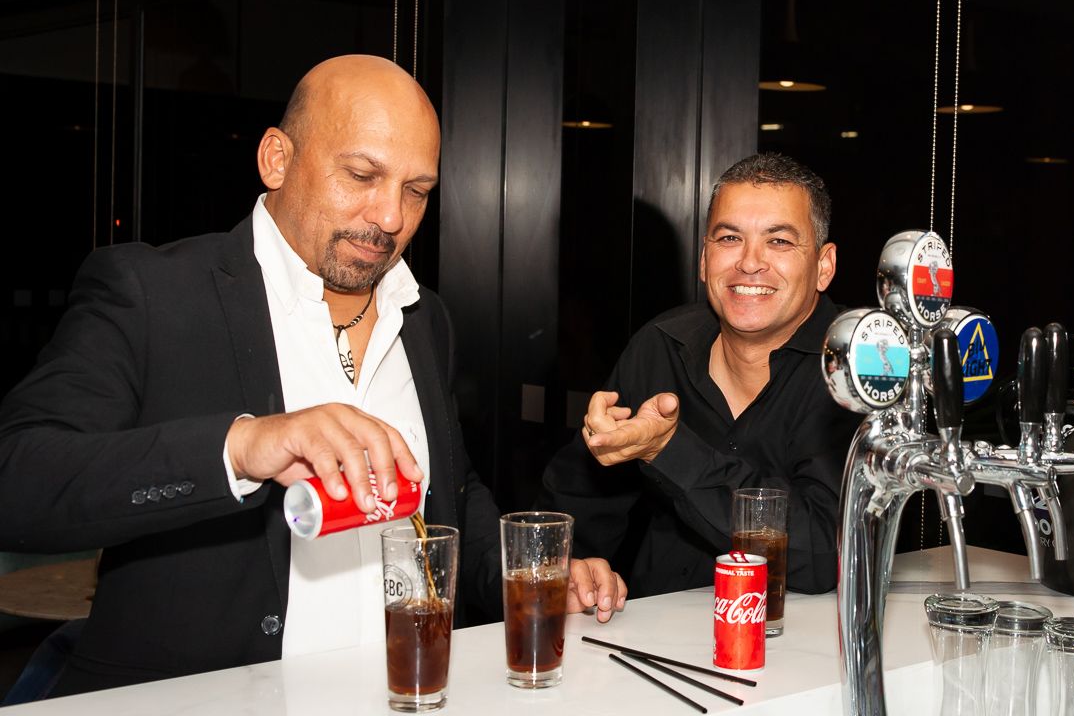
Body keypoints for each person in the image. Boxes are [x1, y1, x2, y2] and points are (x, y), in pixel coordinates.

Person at [0, 55, 625, 697]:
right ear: (277, 159)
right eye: (362, 175)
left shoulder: (424, 317)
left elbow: (449, 494)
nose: (391, 217)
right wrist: (240, 447)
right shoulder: (153, 294)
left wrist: (533, 579)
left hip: (405, 693)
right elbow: (19, 477)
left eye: (416, 191)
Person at [540, 152, 862, 598]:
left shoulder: (856, 366)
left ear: (824, 266)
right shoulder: (661, 346)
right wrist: (574, 567)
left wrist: (670, 450)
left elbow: (829, 551)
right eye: (730, 238)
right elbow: (577, 498)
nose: (750, 262)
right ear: (704, 258)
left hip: (800, 636)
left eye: (779, 241)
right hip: (651, 628)